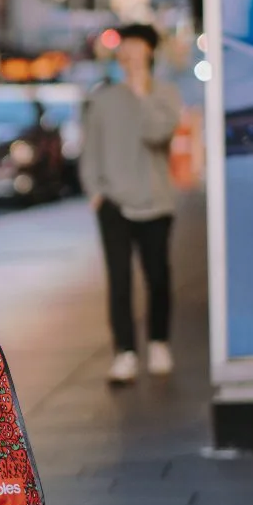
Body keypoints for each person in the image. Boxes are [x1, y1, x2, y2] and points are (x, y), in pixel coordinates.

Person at [79, 23, 183, 384]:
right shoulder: (103, 98)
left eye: (137, 45)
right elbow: (90, 150)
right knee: (119, 281)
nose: (129, 52)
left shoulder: (166, 94)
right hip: (113, 204)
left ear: (150, 51)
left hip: (156, 202)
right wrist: (95, 191)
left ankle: (159, 342)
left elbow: (157, 134)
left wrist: (142, 92)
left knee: (158, 277)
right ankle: (125, 352)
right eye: (125, 46)